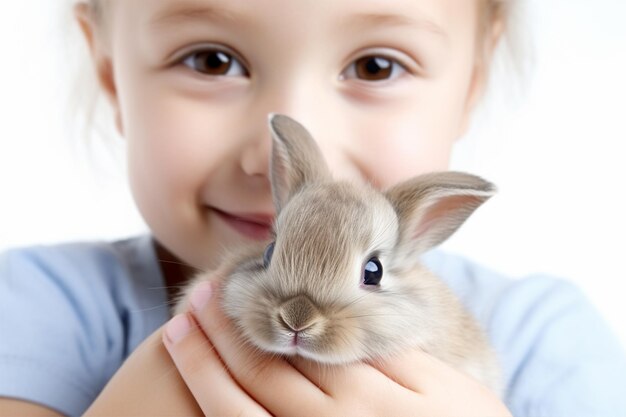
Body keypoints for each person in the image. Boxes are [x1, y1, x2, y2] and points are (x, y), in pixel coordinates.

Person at [1, 0, 625, 416]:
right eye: (212, 60)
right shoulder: (34, 309)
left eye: (375, 66)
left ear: (471, 83)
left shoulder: (544, 338)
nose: (302, 132)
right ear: (110, 73)